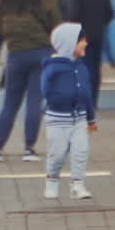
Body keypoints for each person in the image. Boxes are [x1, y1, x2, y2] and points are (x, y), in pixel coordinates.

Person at [0, 0, 61, 163]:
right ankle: (29, 148)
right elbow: (57, 26)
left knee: (10, 102)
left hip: (16, 55)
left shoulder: (5, 1)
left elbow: (0, 28)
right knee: (34, 102)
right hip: (41, 55)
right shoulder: (45, 0)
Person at [42, 22, 97, 201]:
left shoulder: (81, 67)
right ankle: (52, 180)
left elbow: (87, 95)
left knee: (81, 151)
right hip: (58, 119)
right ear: (69, 43)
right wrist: (59, 99)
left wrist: (90, 118)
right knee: (57, 153)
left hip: (79, 119)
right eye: (82, 40)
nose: (86, 43)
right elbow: (46, 91)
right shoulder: (53, 68)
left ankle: (78, 184)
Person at [68, 0, 114, 108]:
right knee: (95, 69)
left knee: (82, 67)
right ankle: (93, 102)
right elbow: (110, 14)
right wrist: (100, 25)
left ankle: (83, 101)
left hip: (81, 37)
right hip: (98, 36)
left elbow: (73, 15)